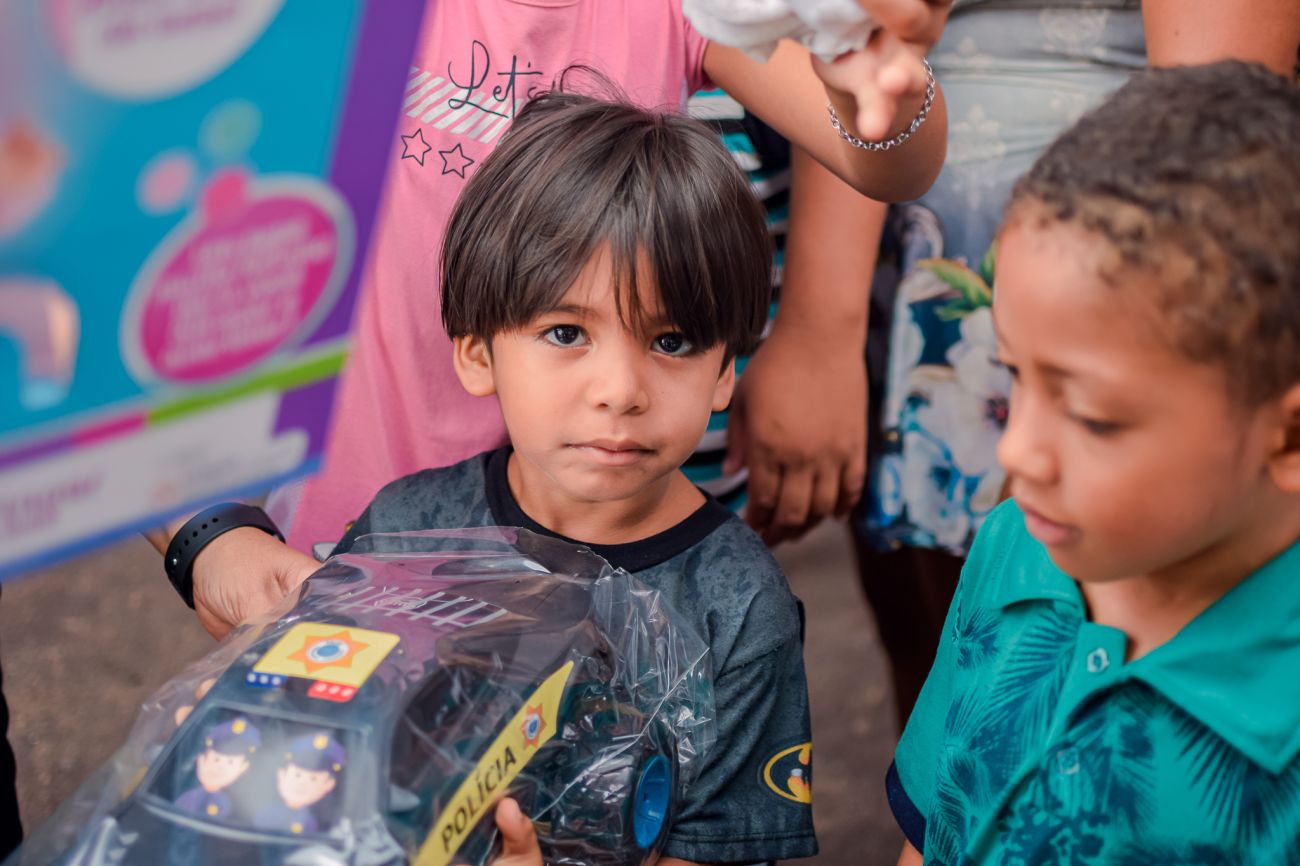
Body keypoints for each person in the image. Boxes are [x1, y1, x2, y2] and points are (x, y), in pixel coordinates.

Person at [179, 89, 819, 866]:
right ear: (478, 352)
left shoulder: (738, 605)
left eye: (672, 341)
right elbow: (319, 747)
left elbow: (721, 848)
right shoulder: (407, 529)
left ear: (724, 372)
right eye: (566, 332)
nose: (621, 390)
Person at [889, 61, 1300, 864]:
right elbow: (931, 829)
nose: (1016, 452)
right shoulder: (1013, 544)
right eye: (1012, 374)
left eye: (1092, 417)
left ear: (1286, 438)